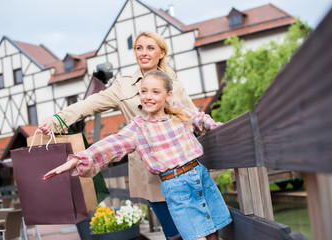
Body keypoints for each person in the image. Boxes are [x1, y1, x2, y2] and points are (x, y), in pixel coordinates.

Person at [38, 31, 197, 240]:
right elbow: (89, 104)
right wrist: (56, 120)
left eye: (150, 48)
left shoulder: (175, 85)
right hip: (150, 171)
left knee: (199, 230)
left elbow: (193, 120)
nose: (144, 53)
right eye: (139, 48)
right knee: (174, 234)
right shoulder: (123, 86)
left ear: (162, 52)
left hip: (183, 168)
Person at [44, 70, 232, 240]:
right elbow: (109, 146)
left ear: (169, 95)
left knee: (213, 233)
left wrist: (221, 128)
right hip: (177, 187)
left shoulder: (180, 113)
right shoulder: (138, 128)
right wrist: (77, 160)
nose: (148, 97)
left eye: (155, 92)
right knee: (197, 236)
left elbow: (202, 120)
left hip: (200, 176)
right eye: (144, 91)